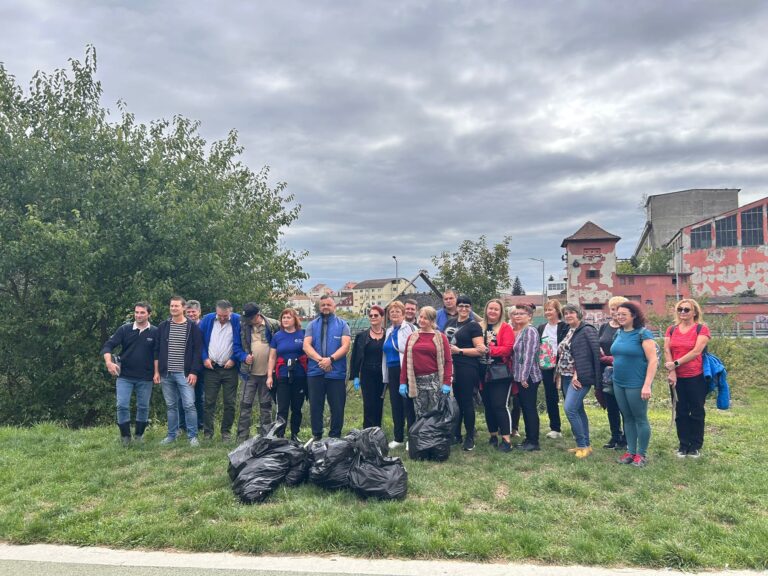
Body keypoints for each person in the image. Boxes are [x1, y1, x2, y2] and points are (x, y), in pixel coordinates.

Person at [101, 302, 159, 445]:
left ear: (149, 314)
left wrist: (157, 372)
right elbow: (108, 345)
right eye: (136, 312)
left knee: (143, 407)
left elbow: (157, 355)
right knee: (122, 405)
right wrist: (109, 362)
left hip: (146, 376)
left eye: (142, 312)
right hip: (125, 375)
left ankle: (139, 436)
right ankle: (125, 437)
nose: (138, 315)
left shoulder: (155, 332)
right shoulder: (124, 329)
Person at [611, 301, 658, 467]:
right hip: (618, 382)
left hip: (637, 383)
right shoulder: (618, 333)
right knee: (627, 417)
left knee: (640, 418)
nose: (620, 317)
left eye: (624, 314)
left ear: (634, 316)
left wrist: (647, 385)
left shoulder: (643, 334)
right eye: (618, 314)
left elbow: (653, 361)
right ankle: (630, 452)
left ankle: (641, 454)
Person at [664, 298, 711, 458]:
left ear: (695, 312)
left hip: (696, 376)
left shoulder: (701, 329)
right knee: (680, 411)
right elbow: (667, 350)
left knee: (697, 411)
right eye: (680, 309)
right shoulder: (671, 329)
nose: (682, 312)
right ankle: (683, 445)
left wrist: (676, 363)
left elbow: (696, 351)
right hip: (677, 377)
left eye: (686, 309)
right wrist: (672, 371)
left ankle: (695, 446)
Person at [154, 296, 203, 446]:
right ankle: (171, 435)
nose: (174, 308)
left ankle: (192, 436)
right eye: (172, 306)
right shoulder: (163, 326)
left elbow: (197, 351)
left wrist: (194, 372)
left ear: (183, 308)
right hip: (166, 373)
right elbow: (156, 350)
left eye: (176, 306)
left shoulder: (192, 327)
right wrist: (157, 372)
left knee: (189, 405)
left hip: (185, 373)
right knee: (171, 406)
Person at [303, 295, 352, 439]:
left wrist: (331, 359)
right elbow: (306, 346)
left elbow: (346, 346)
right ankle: (317, 436)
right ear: (319, 307)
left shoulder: (343, 325)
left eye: (328, 305)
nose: (325, 307)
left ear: (334, 307)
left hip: (336, 374)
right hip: (315, 372)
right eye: (323, 305)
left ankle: (335, 437)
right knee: (315, 407)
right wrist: (322, 361)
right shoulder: (312, 325)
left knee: (337, 407)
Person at [556, 303, 600, 458]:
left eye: (571, 312)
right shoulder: (569, 330)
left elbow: (590, 355)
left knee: (570, 409)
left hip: (579, 378)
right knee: (578, 410)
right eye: (566, 313)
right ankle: (585, 445)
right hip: (566, 376)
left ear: (579, 313)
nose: (568, 315)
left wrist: (577, 374)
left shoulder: (587, 330)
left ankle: (582, 445)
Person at [199, 300, 247, 442]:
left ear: (230, 312)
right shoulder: (207, 319)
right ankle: (208, 433)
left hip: (229, 368)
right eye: (220, 315)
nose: (222, 318)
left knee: (230, 402)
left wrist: (234, 359)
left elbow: (243, 342)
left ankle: (226, 432)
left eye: (225, 316)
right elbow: (199, 342)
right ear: (216, 311)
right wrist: (204, 358)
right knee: (209, 402)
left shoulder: (238, 320)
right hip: (211, 368)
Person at [400, 306, 453, 418]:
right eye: (420, 317)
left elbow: (448, 361)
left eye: (425, 318)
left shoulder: (441, 337)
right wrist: (403, 382)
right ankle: (421, 430)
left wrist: (447, 382)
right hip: (417, 381)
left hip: (435, 381)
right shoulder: (412, 337)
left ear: (432, 321)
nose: (421, 320)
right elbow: (406, 361)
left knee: (437, 414)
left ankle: (437, 430)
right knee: (420, 414)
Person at [448, 295, 485, 451]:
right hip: (451, 367)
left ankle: (470, 436)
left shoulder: (474, 326)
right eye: (461, 306)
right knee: (456, 403)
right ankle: (456, 434)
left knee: (467, 402)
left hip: (467, 367)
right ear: (456, 307)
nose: (463, 309)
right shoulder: (450, 323)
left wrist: (460, 351)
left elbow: (480, 350)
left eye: (467, 306)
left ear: (470, 308)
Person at [237, 303, 279, 440]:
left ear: (258, 315)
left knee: (266, 406)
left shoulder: (273, 325)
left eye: (250, 318)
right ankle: (242, 436)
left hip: (268, 374)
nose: (248, 320)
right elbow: (236, 346)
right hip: (249, 374)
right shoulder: (243, 326)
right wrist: (244, 357)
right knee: (245, 405)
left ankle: (266, 437)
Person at [479, 298, 516, 452]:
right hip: (482, 371)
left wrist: (489, 350)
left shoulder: (505, 328)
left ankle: (506, 440)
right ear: (486, 310)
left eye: (496, 309)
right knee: (488, 405)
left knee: (500, 405)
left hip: (500, 371)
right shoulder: (479, 326)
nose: (492, 311)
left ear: (501, 312)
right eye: (490, 308)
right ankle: (493, 435)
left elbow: (508, 349)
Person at [266, 308, 307, 441]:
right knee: (282, 407)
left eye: (289, 317)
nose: (285, 320)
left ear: (295, 319)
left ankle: (295, 434)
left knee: (297, 407)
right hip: (282, 375)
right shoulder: (277, 336)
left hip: (299, 375)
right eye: (283, 318)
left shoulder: (303, 334)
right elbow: (272, 357)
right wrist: (269, 376)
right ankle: (280, 435)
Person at [382, 301, 416, 449]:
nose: (394, 314)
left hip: (405, 370)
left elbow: (412, 348)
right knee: (395, 404)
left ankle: (411, 438)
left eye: (397, 311)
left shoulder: (409, 328)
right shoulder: (389, 331)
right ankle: (398, 437)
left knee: (408, 405)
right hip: (392, 370)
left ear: (403, 314)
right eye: (392, 312)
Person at [510, 303, 543, 451]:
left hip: (528, 377)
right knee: (525, 407)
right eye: (515, 313)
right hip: (521, 376)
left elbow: (529, 355)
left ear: (529, 316)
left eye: (521, 313)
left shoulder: (530, 331)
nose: (517, 316)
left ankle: (533, 442)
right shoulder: (522, 331)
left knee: (529, 408)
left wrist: (523, 377)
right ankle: (529, 438)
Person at [597, 296, 628, 450]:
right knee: (611, 406)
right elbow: (598, 344)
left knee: (624, 407)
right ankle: (615, 436)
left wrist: (607, 358)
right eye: (613, 309)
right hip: (606, 374)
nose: (615, 312)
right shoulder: (604, 327)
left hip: (623, 371)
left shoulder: (627, 329)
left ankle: (626, 438)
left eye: (619, 309)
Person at [349, 305, 387, 428]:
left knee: (379, 403)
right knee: (369, 404)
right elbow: (355, 356)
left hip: (382, 374)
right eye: (371, 315)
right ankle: (367, 431)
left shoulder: (388, 335)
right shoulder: (362, 336)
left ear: (382, 317)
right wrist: (355, 375)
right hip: (367, 374)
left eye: (376, 315)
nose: (373, 317)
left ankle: (377, 430)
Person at [537, 299, 569, 440]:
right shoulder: (541, 327)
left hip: (563, 365)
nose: (547, 312)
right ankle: (555, 428)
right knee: (551, 396)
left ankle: (577, 427)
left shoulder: (565, 327)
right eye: (546, 310)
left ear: (557, 311)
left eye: (550, 309)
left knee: (569, 396)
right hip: (546, 366)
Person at [178, 299, 204, 435]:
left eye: (193, 312)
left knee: (199, 398)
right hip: (184, 367)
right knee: (181, 398)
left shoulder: (204, 326)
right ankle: (182, 426)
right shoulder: (182, 325)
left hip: (201, 368)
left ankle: (200, 425)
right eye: (188, 312)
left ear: (199, 312)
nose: (191, 314)